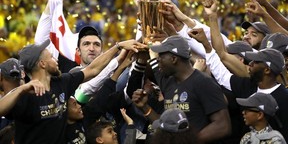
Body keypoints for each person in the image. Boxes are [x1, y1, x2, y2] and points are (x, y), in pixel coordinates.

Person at [0, 38, 145, 144]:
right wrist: (21, 89)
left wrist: (118, 47)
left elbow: (93, 69)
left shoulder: (62, 82)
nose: (55, 60)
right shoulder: (26, 94)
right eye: (50, 57)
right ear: (42, 64)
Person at [189, 28, 288, 142]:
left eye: (256, 62)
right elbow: (222, 74)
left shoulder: (284, 98)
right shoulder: (247, 85)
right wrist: (206, 45)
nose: (250, 64)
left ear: (267, 70)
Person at [132, 35, 231, 143]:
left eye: (161, 56)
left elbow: (222, 126)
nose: (158, 59)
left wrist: (188, 142)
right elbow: (166, 126)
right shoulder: (169, 83)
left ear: (174, 59)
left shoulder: (203, 82)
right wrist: (145, 108)